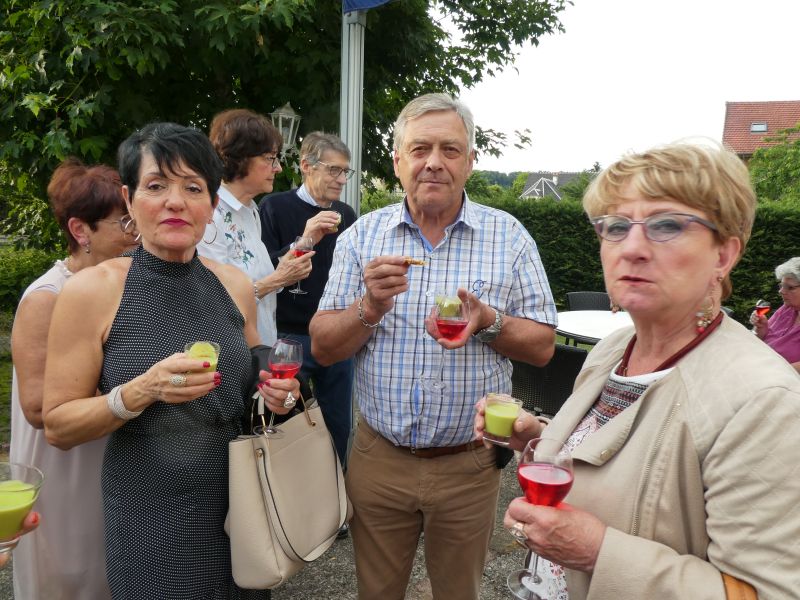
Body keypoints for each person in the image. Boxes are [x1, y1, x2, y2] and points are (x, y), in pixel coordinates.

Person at [475, 142, 800, 598]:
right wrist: (537, 436)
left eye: (667, 225)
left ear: (723, 255)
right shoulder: (614, 350)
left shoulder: (764, 401)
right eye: (615, 226)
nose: (631, 248)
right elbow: (624, 455)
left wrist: (597, 552)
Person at [310, 93, 557, 599]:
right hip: (379, 459)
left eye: (450, 149)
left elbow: (543, 347)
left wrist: (488, 321)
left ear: (469, 161)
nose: (434, 163)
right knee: (376, 593)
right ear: (398, 161)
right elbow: (323, 347)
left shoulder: (509, 236)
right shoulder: (362, 237)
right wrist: (370, 309)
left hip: (469, 464)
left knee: (457, 593)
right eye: (420, 148)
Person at [41, 123, 299, 599]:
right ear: (130, 198)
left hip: (240, 507)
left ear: (213, 205)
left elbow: (251, 387)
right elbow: (57, 425)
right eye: (156, 185)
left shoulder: (234, 284)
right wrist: (140, 391)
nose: (175, 201)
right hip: (149, 520)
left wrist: (275, 396)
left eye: (193, 188)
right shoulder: (93, 292)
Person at [10, 158, 140, 599]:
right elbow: (35, 406)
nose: (136, 231)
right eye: (124, 222)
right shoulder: (47, 297)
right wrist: (139, 388)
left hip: (112, 451)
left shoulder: (126, 286)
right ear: (81, 231)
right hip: (67, 466)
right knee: (72, 576)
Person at [259, 131, 357, 469]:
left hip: (335, 333)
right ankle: (290, 501)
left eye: (346, 172)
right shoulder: (274, 207)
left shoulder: (346, 213)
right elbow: (264, 269)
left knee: (339, 424)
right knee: (287, 423)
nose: (341, 179)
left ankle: (335, 497)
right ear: (305, 166)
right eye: (334, 170)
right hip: (288, 335)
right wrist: (306, 237)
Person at [198, 108, 313, 347]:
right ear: (239, 158)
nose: (278, 168)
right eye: (270, 158)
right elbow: (214, 299)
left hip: (259, 347)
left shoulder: (251, 210)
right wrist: (278, 279)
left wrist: (284, 268)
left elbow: (254, 278)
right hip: (230, 354)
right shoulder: (208, 215)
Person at [750, 256, 800, 371]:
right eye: (782, 285)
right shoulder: (787, 309)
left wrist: (771, 373)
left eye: (789, 287)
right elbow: (757, 339)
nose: (781, 291)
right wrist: (760, 328)